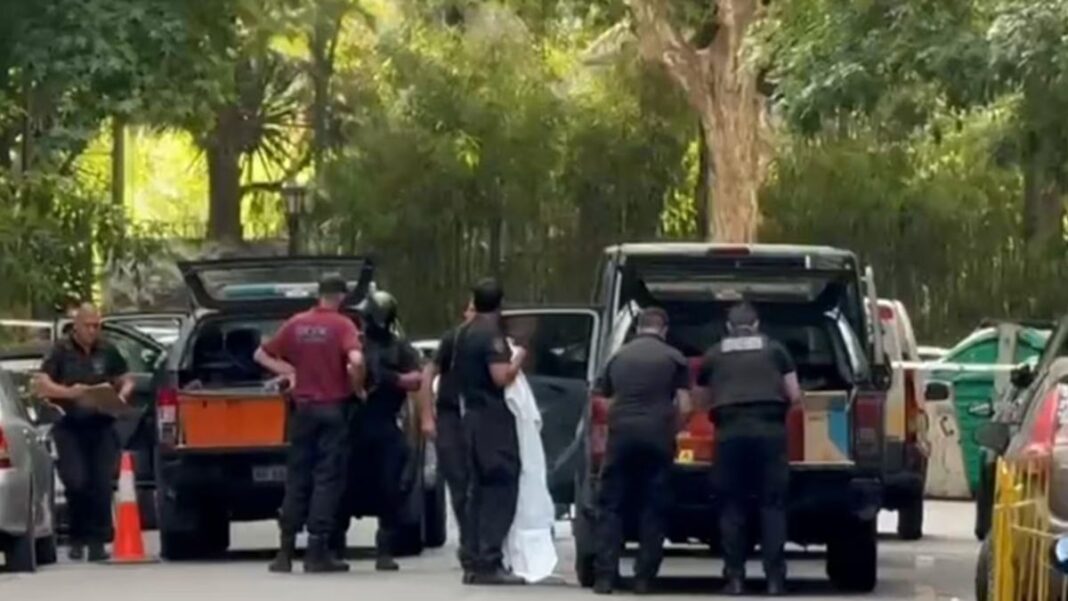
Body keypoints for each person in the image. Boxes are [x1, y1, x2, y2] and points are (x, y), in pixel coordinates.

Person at [255, 275, 365, 574]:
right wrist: (357, 388)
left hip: (302, 411)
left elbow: (260, 354)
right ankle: (317, 552)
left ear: (319, 294)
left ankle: (285, 552)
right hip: (332, 410)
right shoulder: (342, 325)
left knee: (297, 478)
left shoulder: (296, 323)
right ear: (340, 296)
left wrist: (291, 371)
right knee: (327, 478)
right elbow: (356, 360)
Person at [695, 302, 803, 596]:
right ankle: (775, 580)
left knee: (732, 505)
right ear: (756, 325)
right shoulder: (776, 350)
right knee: (772, 505)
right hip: (770, 432)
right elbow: (794, 395)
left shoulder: (714, 354)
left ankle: (735, 579)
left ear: (728, 327)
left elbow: (700, 401)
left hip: (729, 433)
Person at [591, 307, 692, 595]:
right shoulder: (674, 358)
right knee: (654, 507)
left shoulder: (617, 357)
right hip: (657, 438)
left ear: (637, 328)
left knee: (610, 506)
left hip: (621, 437)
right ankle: (644, 578)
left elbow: (602, 400)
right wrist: (670, 430)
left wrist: (619, 423)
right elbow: (686, 406)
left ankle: (605, 578)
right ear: (664, 330)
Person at [332, 290, 422, 571]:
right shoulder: (354, 343)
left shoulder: (399, 347)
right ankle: (335, 546)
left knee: (391, 486)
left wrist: (392, 378)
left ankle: (385, 549)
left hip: (384, 421)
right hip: (353, 422)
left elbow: (417, 378)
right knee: (342, 485)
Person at [35, 303, 133, 562]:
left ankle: (98, 541)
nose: (92, 330)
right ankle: (77, 537)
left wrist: (121, 396)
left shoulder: (107, 349)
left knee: (101, 484)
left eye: (96, 326)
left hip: (101, 425)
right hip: (70, 426)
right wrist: (70, 393)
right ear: (76, 326)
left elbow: (126, 377)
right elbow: (42, 384)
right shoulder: (60, 350)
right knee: (76, 482)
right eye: (88, 326)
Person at [453, 278, 527, 585]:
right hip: (492, 419)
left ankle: (473, 560)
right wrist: (518, 358)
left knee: (477, 491)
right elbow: (501, 376)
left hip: (469, 416)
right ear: (500, 304)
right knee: (500, 486)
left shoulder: (463, 333)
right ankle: (489, 561)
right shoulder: (491, 335)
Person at [417, 301, 477, 573]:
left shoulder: (495, 340)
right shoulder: (453, 339)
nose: (475, 315)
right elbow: (428, 373)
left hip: (481, 418)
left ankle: (483, 544)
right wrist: (427, 416)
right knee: (459, 483)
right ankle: (468, 542)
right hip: (451, 417)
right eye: (471, 309)